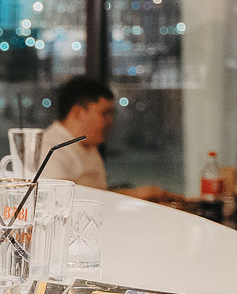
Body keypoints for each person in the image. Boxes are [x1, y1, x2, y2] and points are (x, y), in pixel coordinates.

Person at [39, 76, 173, 201]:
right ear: (77, 112)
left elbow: (98, 191)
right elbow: (62, 201)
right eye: (105, 114)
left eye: (112, 114)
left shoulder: (88, 144)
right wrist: (133, 195)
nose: (110, 121)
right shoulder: (50, 148)